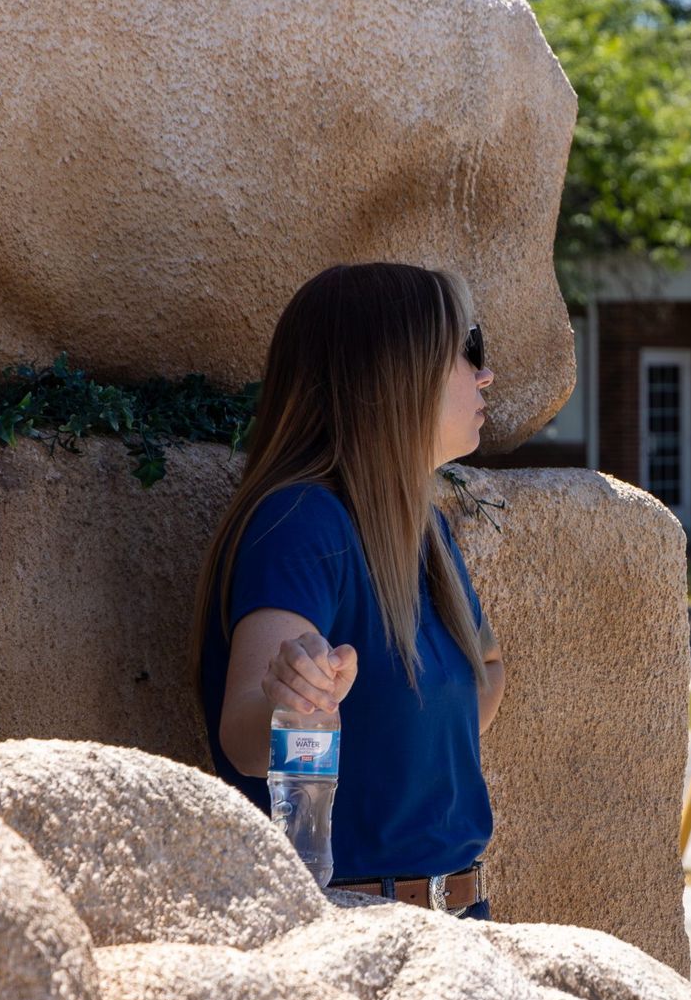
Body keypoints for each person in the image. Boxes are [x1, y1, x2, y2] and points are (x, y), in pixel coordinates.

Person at [192, 262, 506, 917]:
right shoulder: (302, 522)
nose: (485, 374)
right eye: (465, 351)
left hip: (457, 924)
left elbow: (474, 688)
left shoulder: (426, 532)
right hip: (358, 932)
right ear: (397, 377)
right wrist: (293, 701)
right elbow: (245, 736)